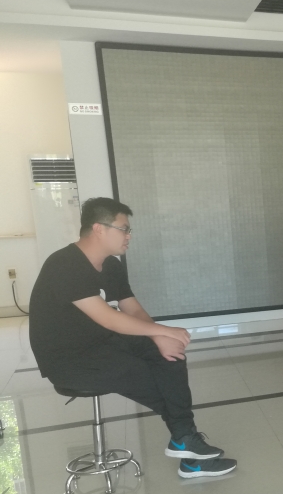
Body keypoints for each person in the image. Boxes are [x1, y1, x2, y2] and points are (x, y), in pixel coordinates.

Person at [29, 197, 237, 479]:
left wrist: (160, 337)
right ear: (99, 228)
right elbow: (108, 318)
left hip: (102, 343)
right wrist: (163, 331)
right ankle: (187, 446)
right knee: (144, 374)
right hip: (68, 360)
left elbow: (133, 309)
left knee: (171, 355)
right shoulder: (65, 264)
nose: (129, 236)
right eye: (124, 229)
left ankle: (186, 445)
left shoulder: (111, 266)